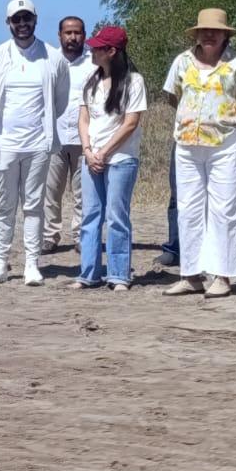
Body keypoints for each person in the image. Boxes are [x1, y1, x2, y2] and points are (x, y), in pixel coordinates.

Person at [162, 9, 236, 297]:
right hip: (187, 145)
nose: (209, 34)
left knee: (225, 210)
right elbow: (174, 96)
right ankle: (190, 274)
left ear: (225, 34)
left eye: (215, 30)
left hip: (225, 144)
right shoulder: (182, 61)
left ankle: (223, 275)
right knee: (188, 209)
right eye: (204, 30)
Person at [0, 0, 70, 285]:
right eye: (17, 19)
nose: (22, 24)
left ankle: (31, 264)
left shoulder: (52, 57)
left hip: (38, 144)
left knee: (34, 205)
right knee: (4, 205)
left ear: (35, 21)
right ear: (8, 23)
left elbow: (61, 99)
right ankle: (0, 263)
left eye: (27, 18)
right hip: (5, 145)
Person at [74, 24, 146, 290]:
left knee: (117, 216)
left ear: (112, 51)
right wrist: (88, 150)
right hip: (92, 158)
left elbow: (130, 123)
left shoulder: (133, 81)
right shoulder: (90, 81)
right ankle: (89, 273)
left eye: (98, 47)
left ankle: (118, 274)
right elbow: (83, 119)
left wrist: (104, 152)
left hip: (121, 160)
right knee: (90, 215)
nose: (92, 50)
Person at [43, 16, 92, 255]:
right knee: (50, 191)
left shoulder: (94, 62)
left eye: (77, 33)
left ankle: (81, 236)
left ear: (84, 35)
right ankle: (49, 236)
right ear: (59, 35)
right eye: (68, 33)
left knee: (83, 192)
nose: (73, 37)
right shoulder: (49, 60)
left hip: (85, 138)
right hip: (54, 136)